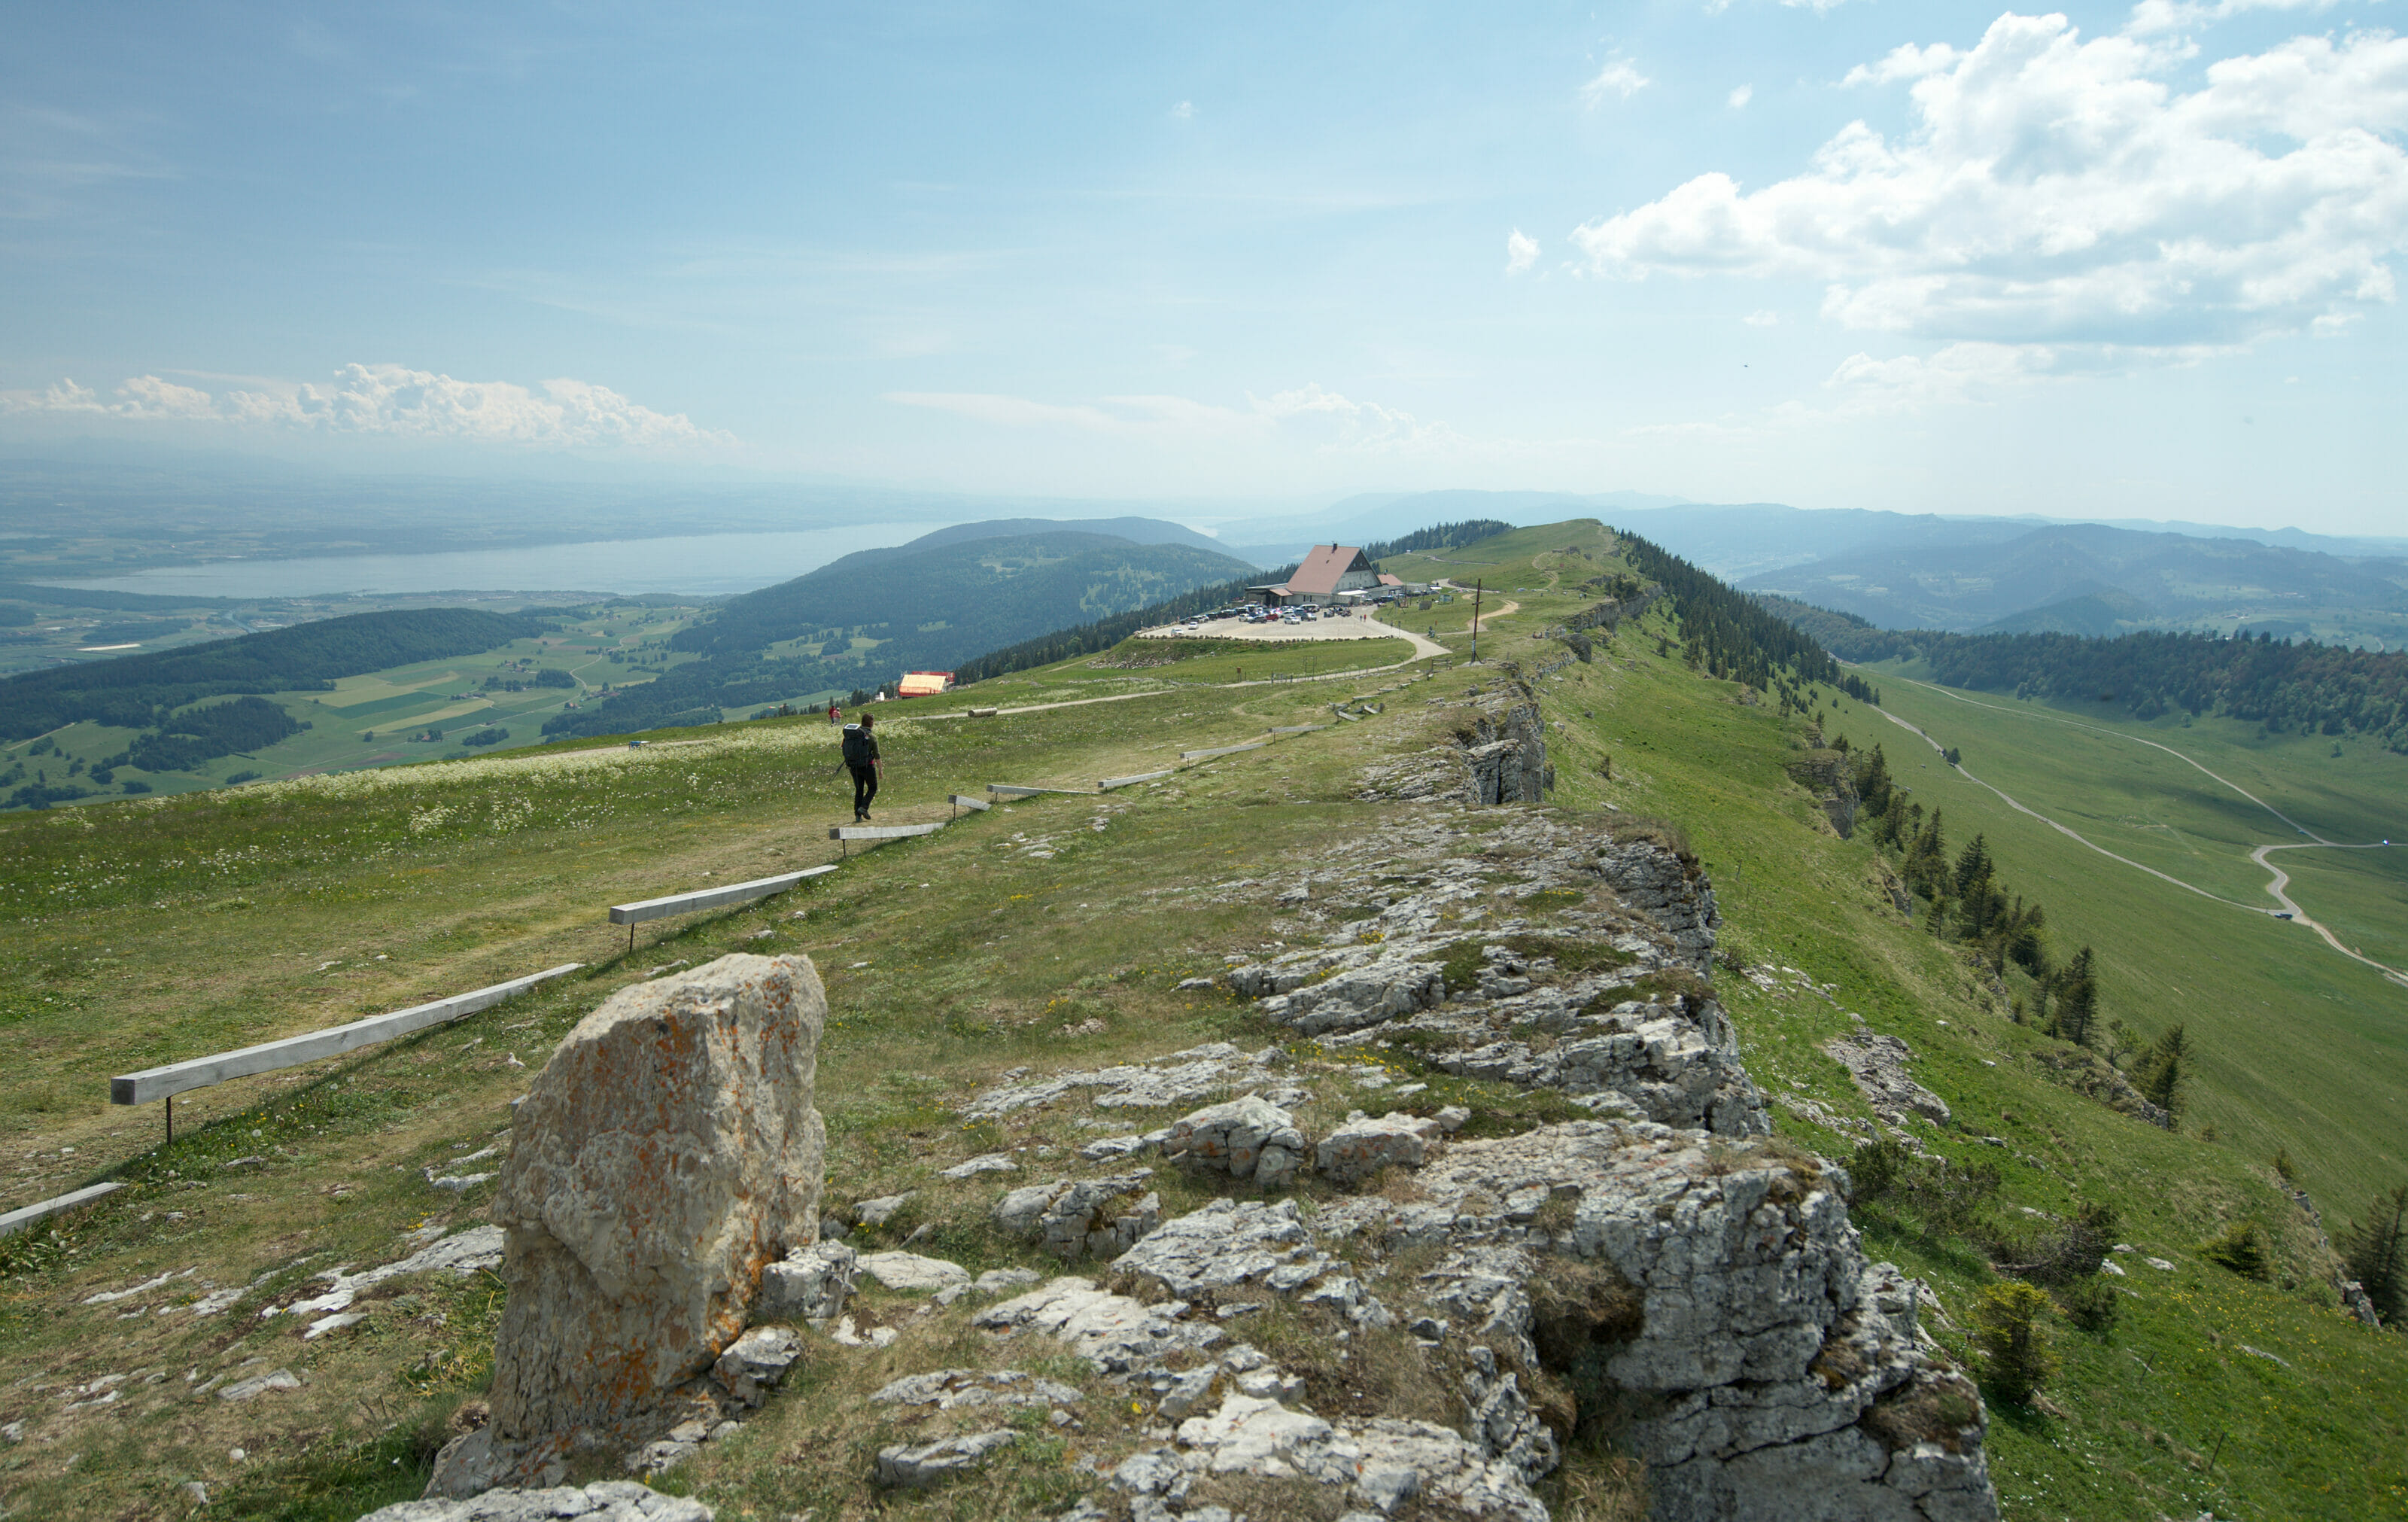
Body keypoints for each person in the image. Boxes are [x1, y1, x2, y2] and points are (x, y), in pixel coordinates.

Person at [841, 711, 882, 820]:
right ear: (871, 724)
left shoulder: (854, 736)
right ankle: (864, 807)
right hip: (867, 766)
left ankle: (857, 815)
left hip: (853, 766)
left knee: (859, 790)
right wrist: (881, 770)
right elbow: (877, 755)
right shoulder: (871, 737)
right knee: (873, 788)